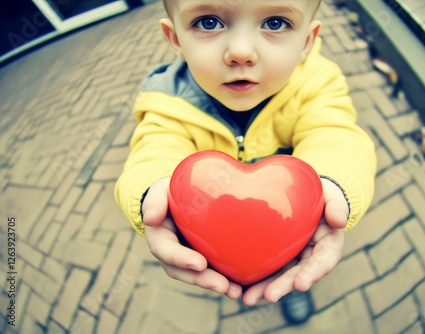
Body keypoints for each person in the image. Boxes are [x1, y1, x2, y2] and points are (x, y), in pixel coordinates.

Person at [115, 0, 376, 325]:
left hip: (289, 219)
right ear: (176, 39)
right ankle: (234, 265)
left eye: (276, 23)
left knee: (293, 256)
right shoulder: (168, 103)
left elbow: (335, 134)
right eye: (208, 22)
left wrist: (333, 183)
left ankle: (293, 283)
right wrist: (152, 191)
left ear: (307, 42)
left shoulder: (316, 86)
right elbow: (153, 149)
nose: (240, 52)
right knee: (227, 254)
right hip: (217, 222)